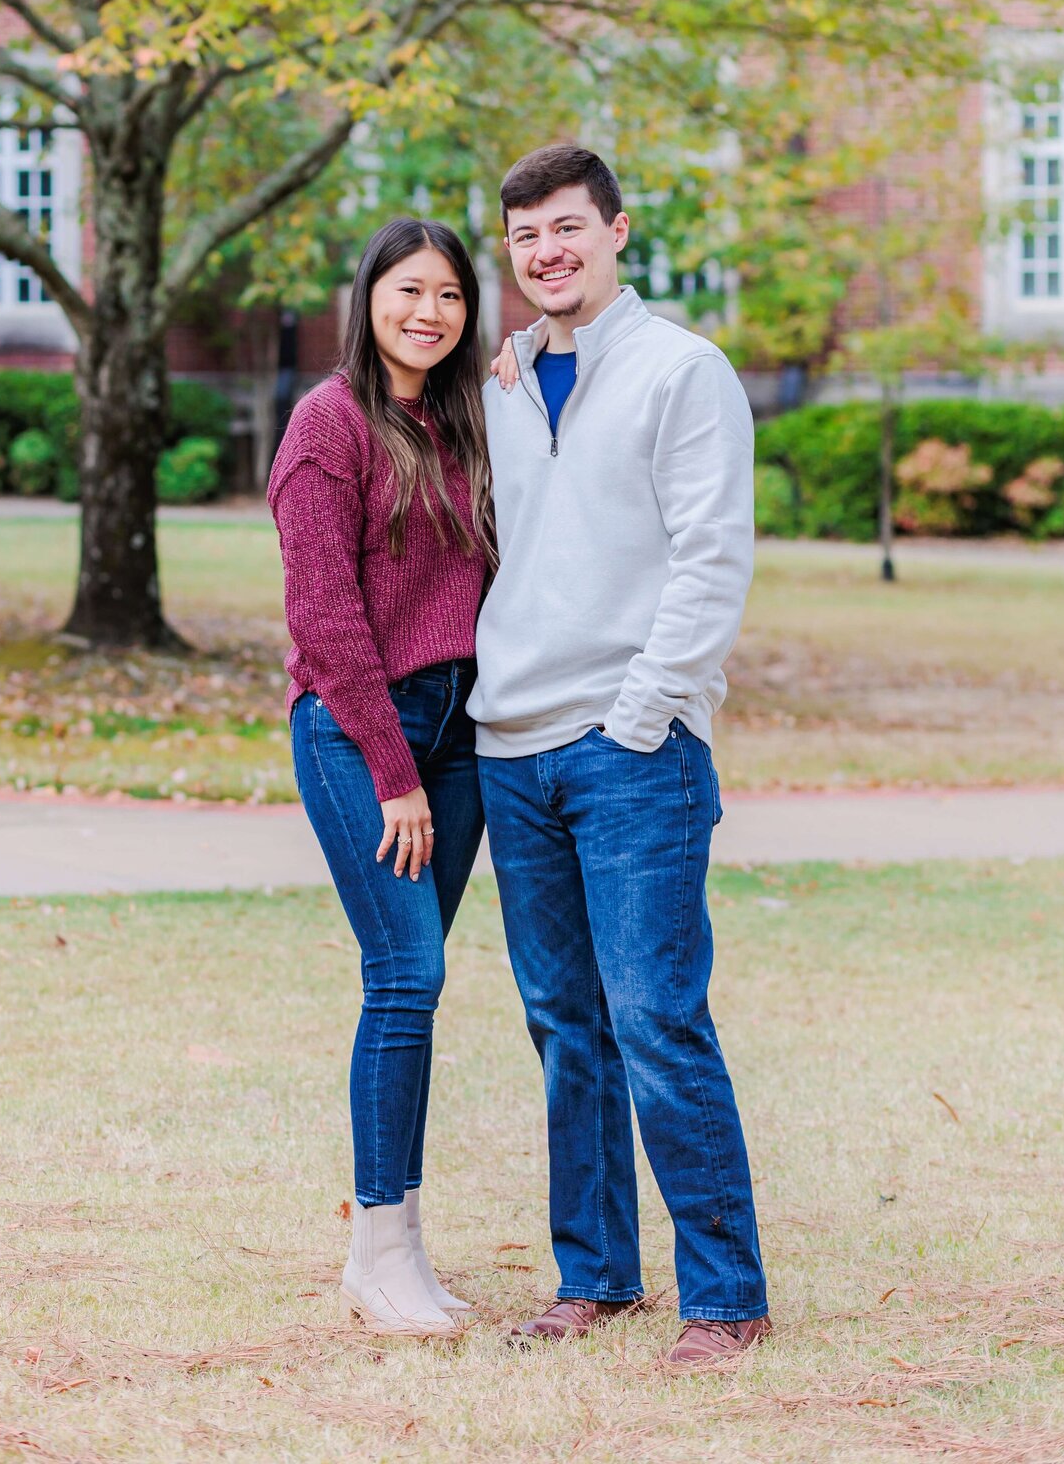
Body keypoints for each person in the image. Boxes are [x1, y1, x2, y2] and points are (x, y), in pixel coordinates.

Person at [471, 144, 770, 1370]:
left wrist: (646, 710)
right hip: (512, 747)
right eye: (527, 235)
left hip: (632, 749)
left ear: (616, 232)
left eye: (568, 228)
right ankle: (594, 1275)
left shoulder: (681, 371)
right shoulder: (505, 379)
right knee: (563, 1023)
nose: (549, 250)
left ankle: (727, 1296)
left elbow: (712, 560)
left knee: (656, 1016)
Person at [268, 216, 494, 1339]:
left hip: (462, 730)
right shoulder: (327, 425)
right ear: (368, 299)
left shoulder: (463, 423)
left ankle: (401, 1244)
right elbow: (323, 616)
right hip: (363, 731)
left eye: (450, 295)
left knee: (420, 976)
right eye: (410, 291)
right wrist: (393, 770)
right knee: (405, 972)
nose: (429, 313)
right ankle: (379, 1251)